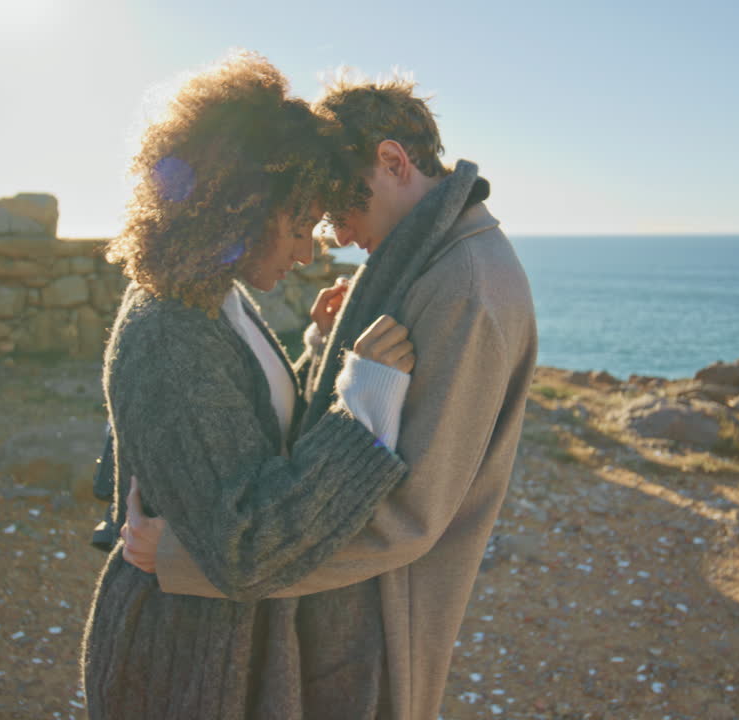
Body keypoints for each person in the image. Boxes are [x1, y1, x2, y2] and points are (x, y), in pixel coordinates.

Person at [122, 74, 538, 720]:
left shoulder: (464, 289)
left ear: (394, 162)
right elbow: (278, 433)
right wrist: (324, 352)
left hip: (380, 626)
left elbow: (402, 516)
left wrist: (185, 558)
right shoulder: (414, 256)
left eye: (339, 209)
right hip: (306, 613)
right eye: (310, 215)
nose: (333, 238)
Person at [77, 52, 424, 719]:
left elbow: (237, 429)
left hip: (214, 652)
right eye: (297, 228)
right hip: (181, 668)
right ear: (239, 211)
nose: (307, 253)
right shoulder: (170, 333)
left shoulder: (211, 297)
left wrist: (318, 350)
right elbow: (246, 547)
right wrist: (368, 409)